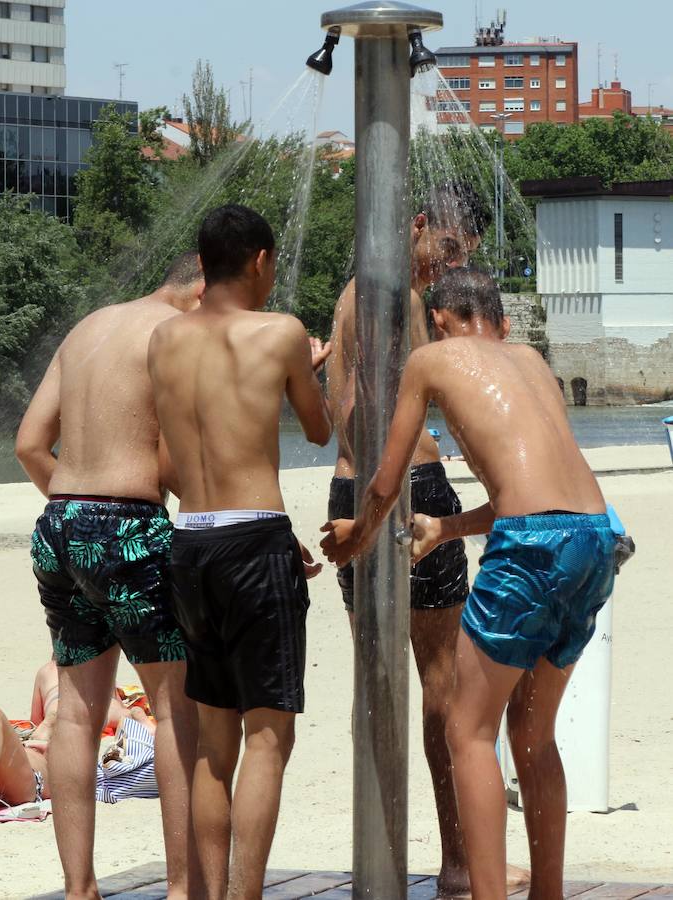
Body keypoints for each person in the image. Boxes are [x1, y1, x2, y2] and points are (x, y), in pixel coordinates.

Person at [321, 267, 615, 900]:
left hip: (534, 544)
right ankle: (549, 895)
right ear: (501, 322)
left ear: (441, 321)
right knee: (533, 736)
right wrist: (449, 526)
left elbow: (383, 481)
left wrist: (357, 537)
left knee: (467, 730)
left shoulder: (430, 359)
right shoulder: (531, 360)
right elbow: (534, 496)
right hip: (594, 536)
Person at [148, 204, 332, 900]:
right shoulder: (281, 332)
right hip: (254, 539)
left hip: (190, 541)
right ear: (258, 260)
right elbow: (319, 430)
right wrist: (313, 369)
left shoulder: (163, 340)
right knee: (268, 737)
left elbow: (169, 455)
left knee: (212, 745)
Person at [325, 183, 501, 895]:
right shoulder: (391, 291)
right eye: (450, 249)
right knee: (442, 684)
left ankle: (381, 858)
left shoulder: (356, 291)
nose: (451, 267)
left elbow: (347, 403)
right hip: (405, 494)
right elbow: (369, 407)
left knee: (376, 682)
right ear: (420, 224)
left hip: (351, 491)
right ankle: (458, 864)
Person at [15, 252, 205, 900]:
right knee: (176, 708)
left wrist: (79, 509)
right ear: (202, 289)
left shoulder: (88, 327)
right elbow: (172, 462)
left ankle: (79, 889)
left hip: (58, 525)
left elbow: (29, 444)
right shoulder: (172, 335)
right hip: (127, 527)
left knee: (75, 711)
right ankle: (183, 889)